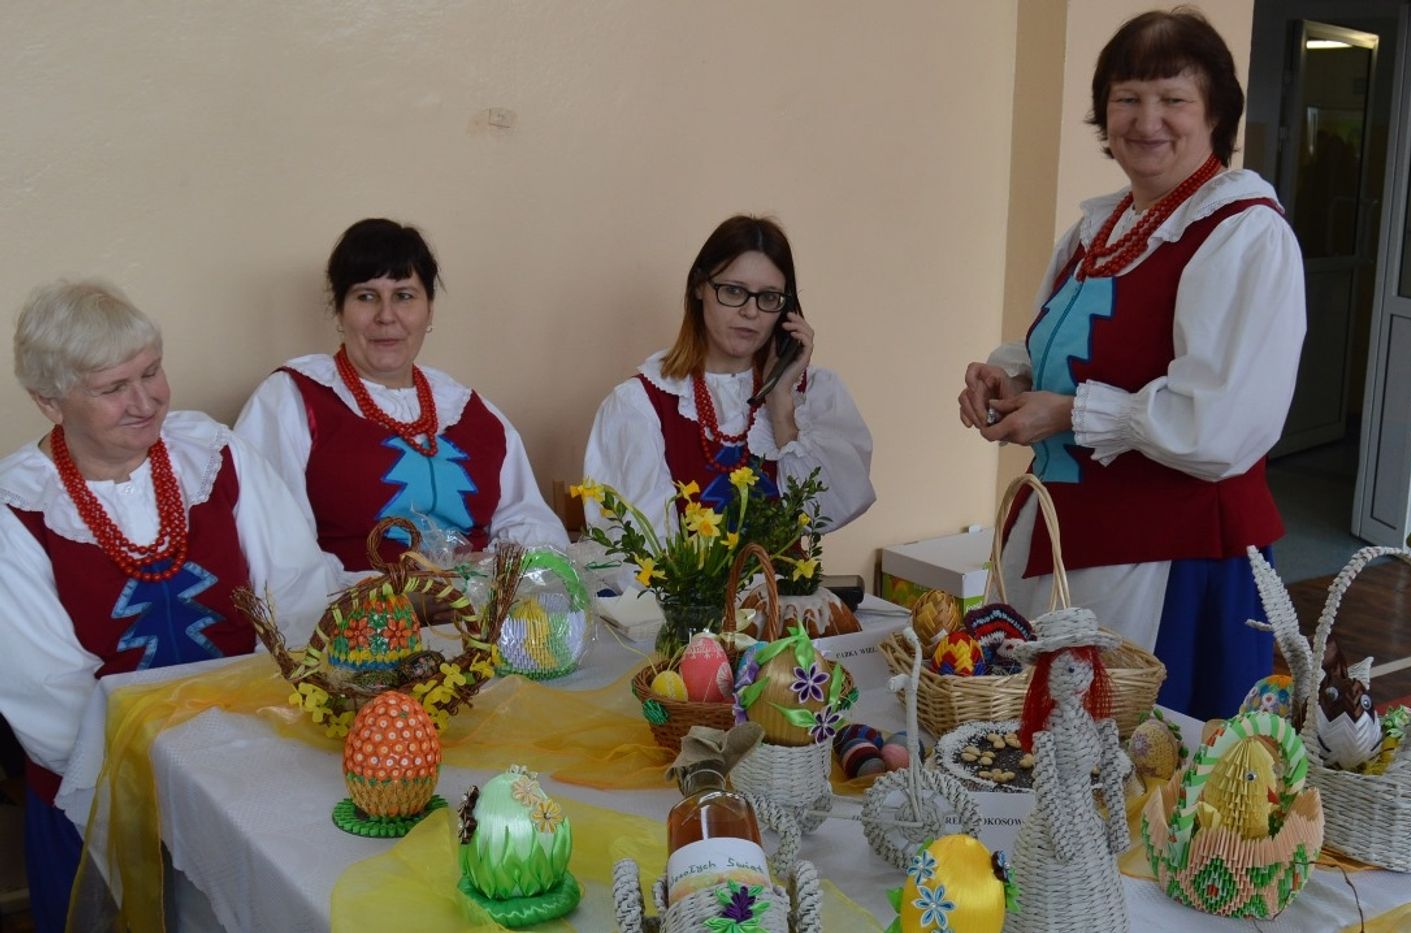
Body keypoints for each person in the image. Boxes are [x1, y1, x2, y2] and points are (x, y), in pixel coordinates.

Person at [957, 9, 1305, 720]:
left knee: (1135, 756)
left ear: (1215, 114)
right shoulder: (1103, 225)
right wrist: (1012, 379)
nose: (1147, 120)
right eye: (1127, 97)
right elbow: (1060, 346)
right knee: (1039, 739)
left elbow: (1219, 424)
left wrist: (1069, 412)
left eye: (1174, 98)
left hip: (1170, 560)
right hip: (1064, 538)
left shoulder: (1244, 234)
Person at [0, 280, 344, 932]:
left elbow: (297, 594)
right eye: (113, 387)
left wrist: (288, 729)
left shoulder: (212, 453)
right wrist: (178, 784)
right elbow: (48, 696)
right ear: (48, 401)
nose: (146, 400)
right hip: (107, 796)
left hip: (260, 761)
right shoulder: (17, 509)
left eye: (151, 371)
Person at [235, 218, 568, 571]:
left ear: (429, 310)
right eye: (366, 296)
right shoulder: (291, 399)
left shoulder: (469, 410)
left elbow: (530, 522)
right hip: (353, 605)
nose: (386, 316)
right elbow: (275, 549)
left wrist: (496, 574)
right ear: (339, 311)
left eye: (404, 296)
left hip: (479, 602)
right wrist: (403, 591)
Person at [584, 214, 874, 533]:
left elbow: (827, 513)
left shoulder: (808, 393)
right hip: (676, 571)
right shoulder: (642, 404)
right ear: (699, 287)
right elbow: (637, 548)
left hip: (782, 572)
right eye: (734, 291)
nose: (750, 312)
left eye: (768, 297)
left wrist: (781, 403)